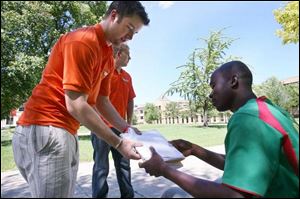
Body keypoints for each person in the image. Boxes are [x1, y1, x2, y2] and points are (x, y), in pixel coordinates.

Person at [12, 1, 150, 198]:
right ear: (113, 15)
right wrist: (119, 144)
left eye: (134, 33)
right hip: (47, 126)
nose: (130, 37)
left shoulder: (107, 56)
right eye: (129, 27)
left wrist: (126, 128)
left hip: (65, 131)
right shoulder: (84, 41)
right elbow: (76, 104)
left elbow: (102, 101)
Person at [139, 60, 299, 198]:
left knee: (172, 194)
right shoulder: (266, 109)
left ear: (233, 81)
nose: (210, 95)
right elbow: (239, 165)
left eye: (214, 85)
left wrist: (164, 169)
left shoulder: (247, 119)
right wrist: (194, 149)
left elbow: (235, 195)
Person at [91, 43, 136, 198]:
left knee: (124, 164)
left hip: (120, 128)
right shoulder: (103, 72)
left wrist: (128, 123)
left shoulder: (127, 77)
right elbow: (96, 100)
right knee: (101, 166)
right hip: (100, 128)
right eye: (128, 54)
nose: (130, 58)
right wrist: (98, 123)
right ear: (119, 54)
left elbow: (130, 100)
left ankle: (128, 195)